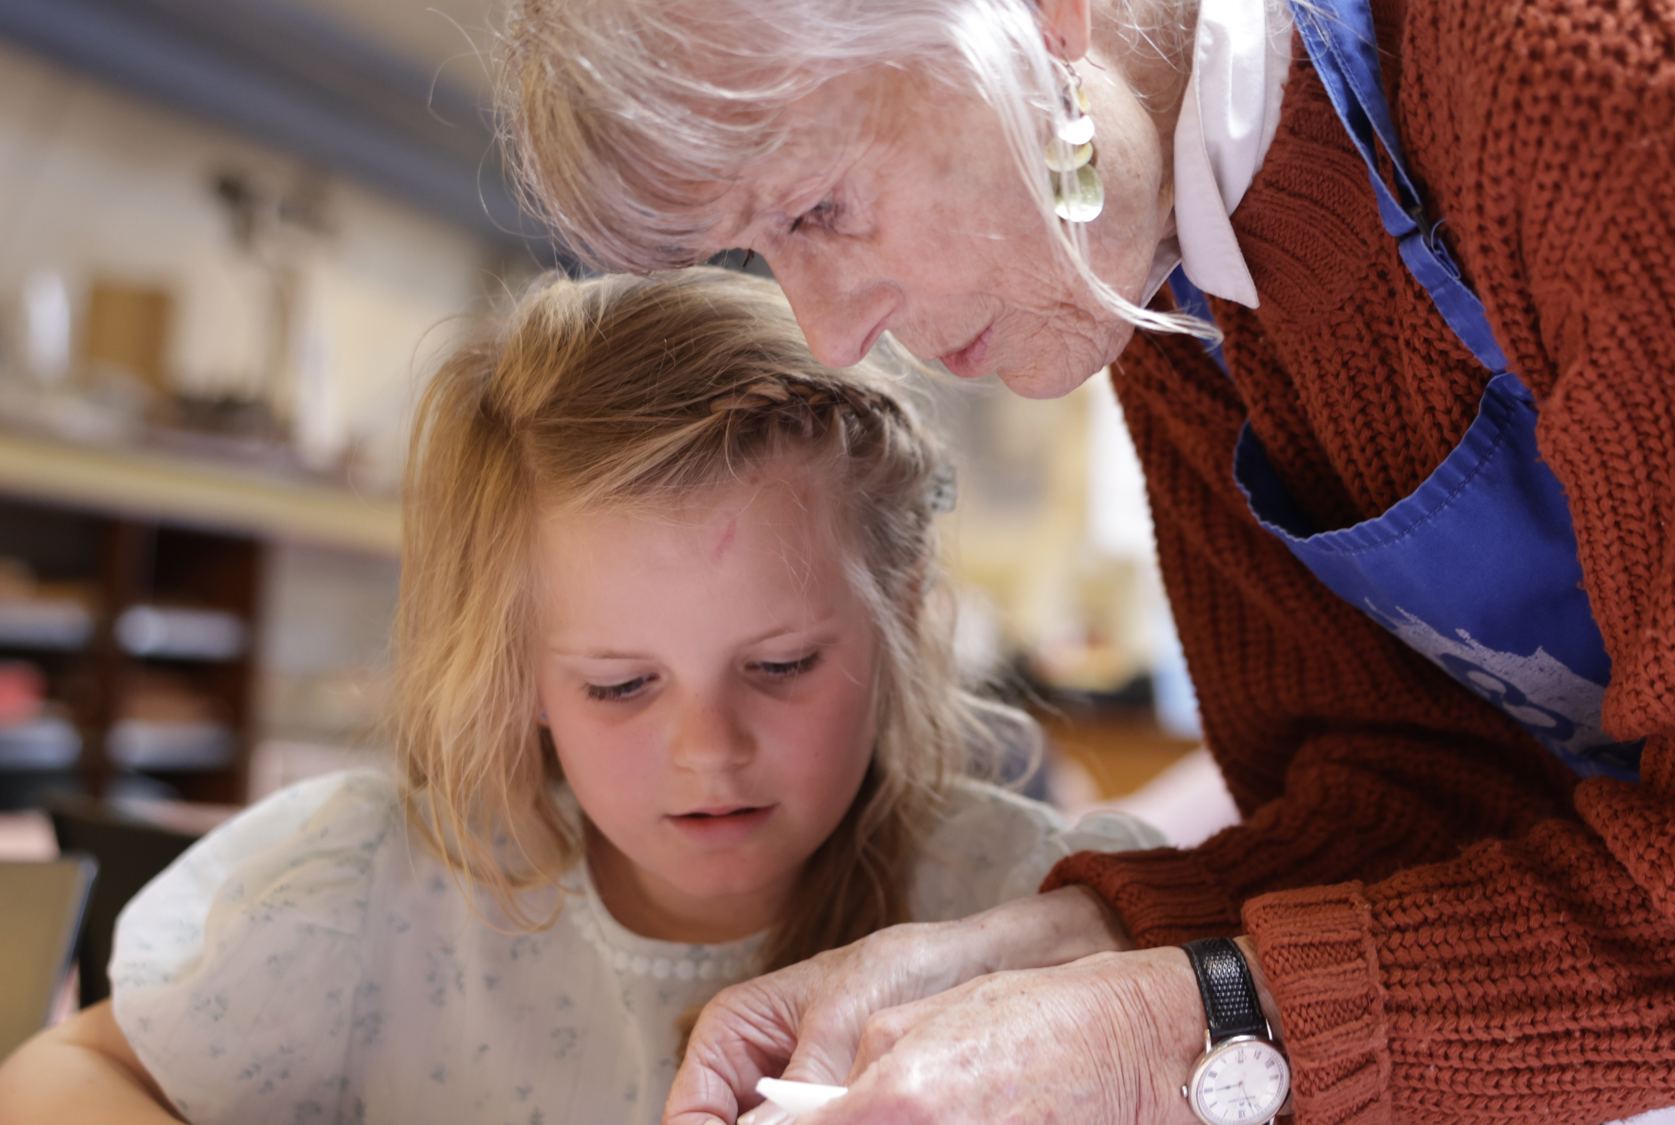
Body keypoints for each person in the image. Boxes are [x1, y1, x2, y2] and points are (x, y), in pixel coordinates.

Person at [498, 0, 1675, 1122]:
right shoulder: (1167, 289)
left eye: (819, 207)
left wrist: (1164, 1034)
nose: (828, 329)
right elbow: (1406, 802)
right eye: (768, 254)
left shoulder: (1616, 90)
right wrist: (1001, 964)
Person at [0, 268, 1160, 1123]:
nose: (708, 751)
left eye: (779, 668)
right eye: (618, 685)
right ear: (518, 670)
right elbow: (65, 1073)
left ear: (901, 607)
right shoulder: (379, 897)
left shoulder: (1036, 920)